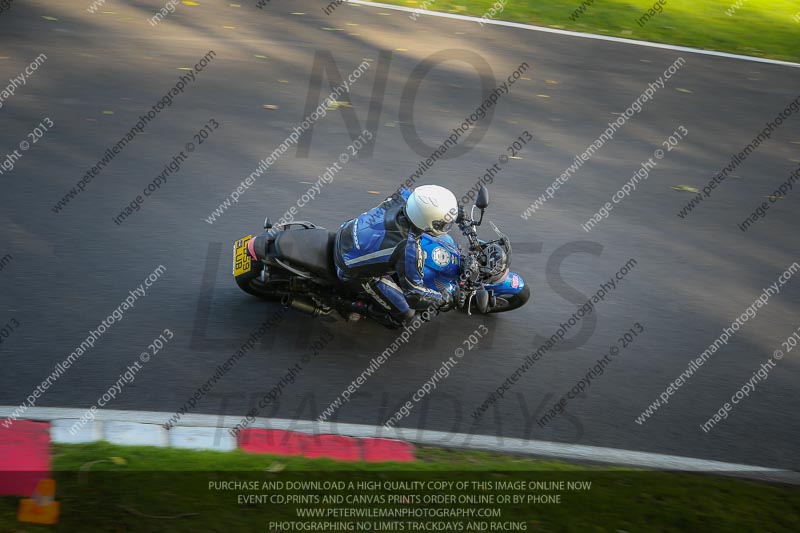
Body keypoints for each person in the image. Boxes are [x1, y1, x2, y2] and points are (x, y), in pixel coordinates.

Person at [333, 185, 459, 328]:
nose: (446, 226)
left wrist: (459, 215)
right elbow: (414, 294)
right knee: (408, 315)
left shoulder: (404, 196)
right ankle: (347, 305)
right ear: (426, 220)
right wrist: (444, 299)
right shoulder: (407, 249)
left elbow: (429, 206)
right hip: (349, 269)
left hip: (347, 233)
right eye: (443, 224)